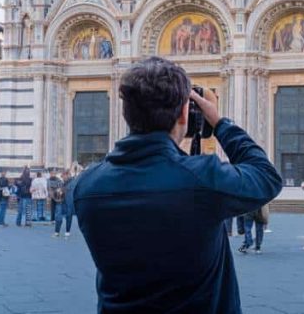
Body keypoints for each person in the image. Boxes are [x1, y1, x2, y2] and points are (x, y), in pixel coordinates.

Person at [71, 57, 282, 313]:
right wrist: (220, 123)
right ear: (184, 112)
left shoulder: (86, 187)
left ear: (127, 113)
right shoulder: (203, 180)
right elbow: (267, 177)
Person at [54, 169, 74, 238]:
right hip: (62, 201)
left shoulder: (72, 182)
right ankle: (57, 232)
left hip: (69, 202)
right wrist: (59, 191)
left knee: (68, 216)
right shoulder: (63, 183)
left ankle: (67, 232)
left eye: (63, 176)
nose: (63, 178)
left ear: (67, 175)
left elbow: (69, 191)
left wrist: (62, 190)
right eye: (62, 177)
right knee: (58, 216)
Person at [48, 171, 66, 237]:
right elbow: (49, 188)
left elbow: (61, 188)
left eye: (53, 173)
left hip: (58, 198)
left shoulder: (59, 180)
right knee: (53, 209)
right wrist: (50, 194)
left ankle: (57, 231)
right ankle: (53, 220)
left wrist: (56, 191)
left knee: (58, 212)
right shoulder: (49, 180)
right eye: (52, 173)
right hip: (54, 197)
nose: (52, 174)